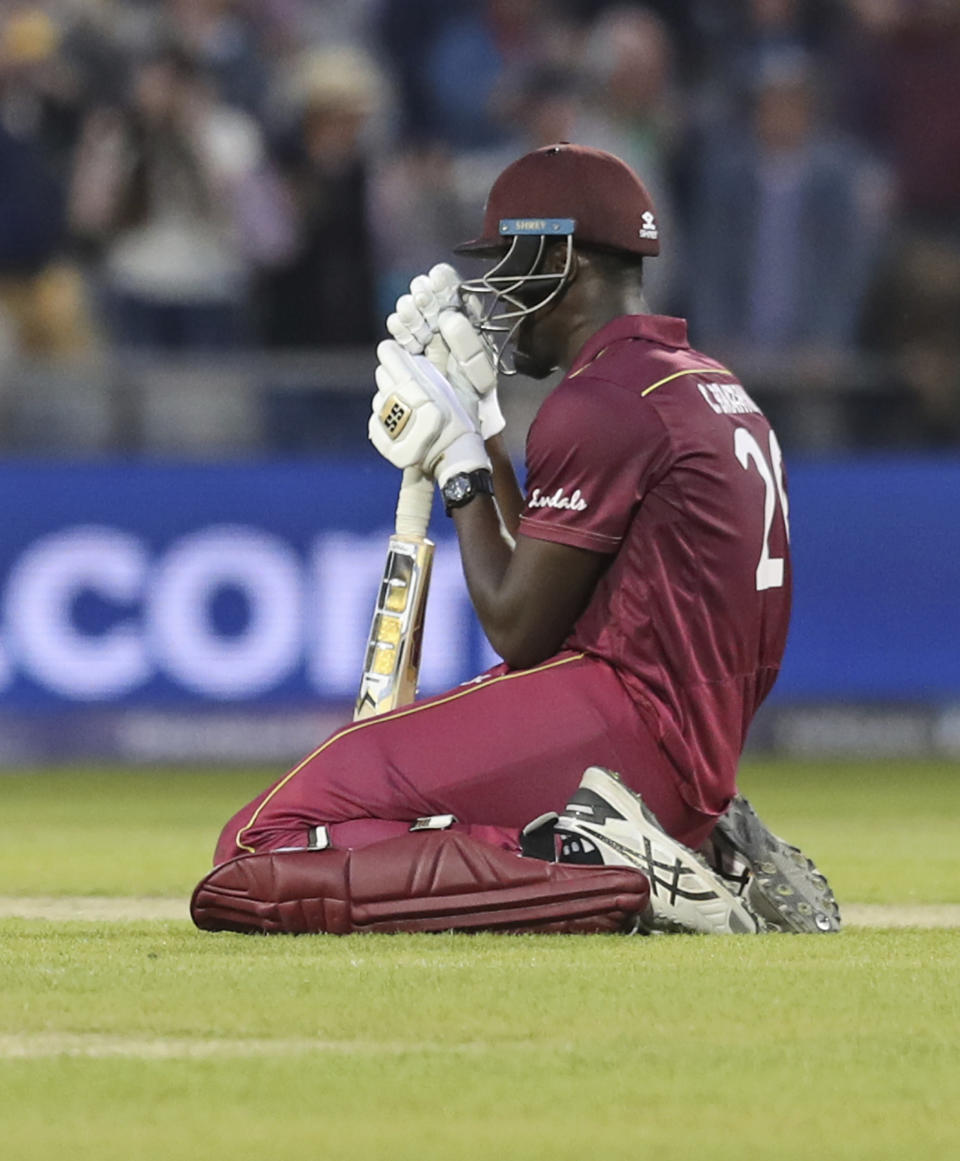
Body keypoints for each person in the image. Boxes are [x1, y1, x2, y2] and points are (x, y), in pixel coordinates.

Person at [193, 144, 839, 938]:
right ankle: (662, 849)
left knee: (257, 845)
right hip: (683, 743)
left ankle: (607, 863)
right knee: (322, 831)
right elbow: (570, 573)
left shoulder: (602, 398)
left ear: (559, 258)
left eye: (508, 260)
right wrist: (488, 433)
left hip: (622, 725)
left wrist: (459, 468)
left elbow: (519, 626)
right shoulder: (703, 382)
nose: (494, 290)